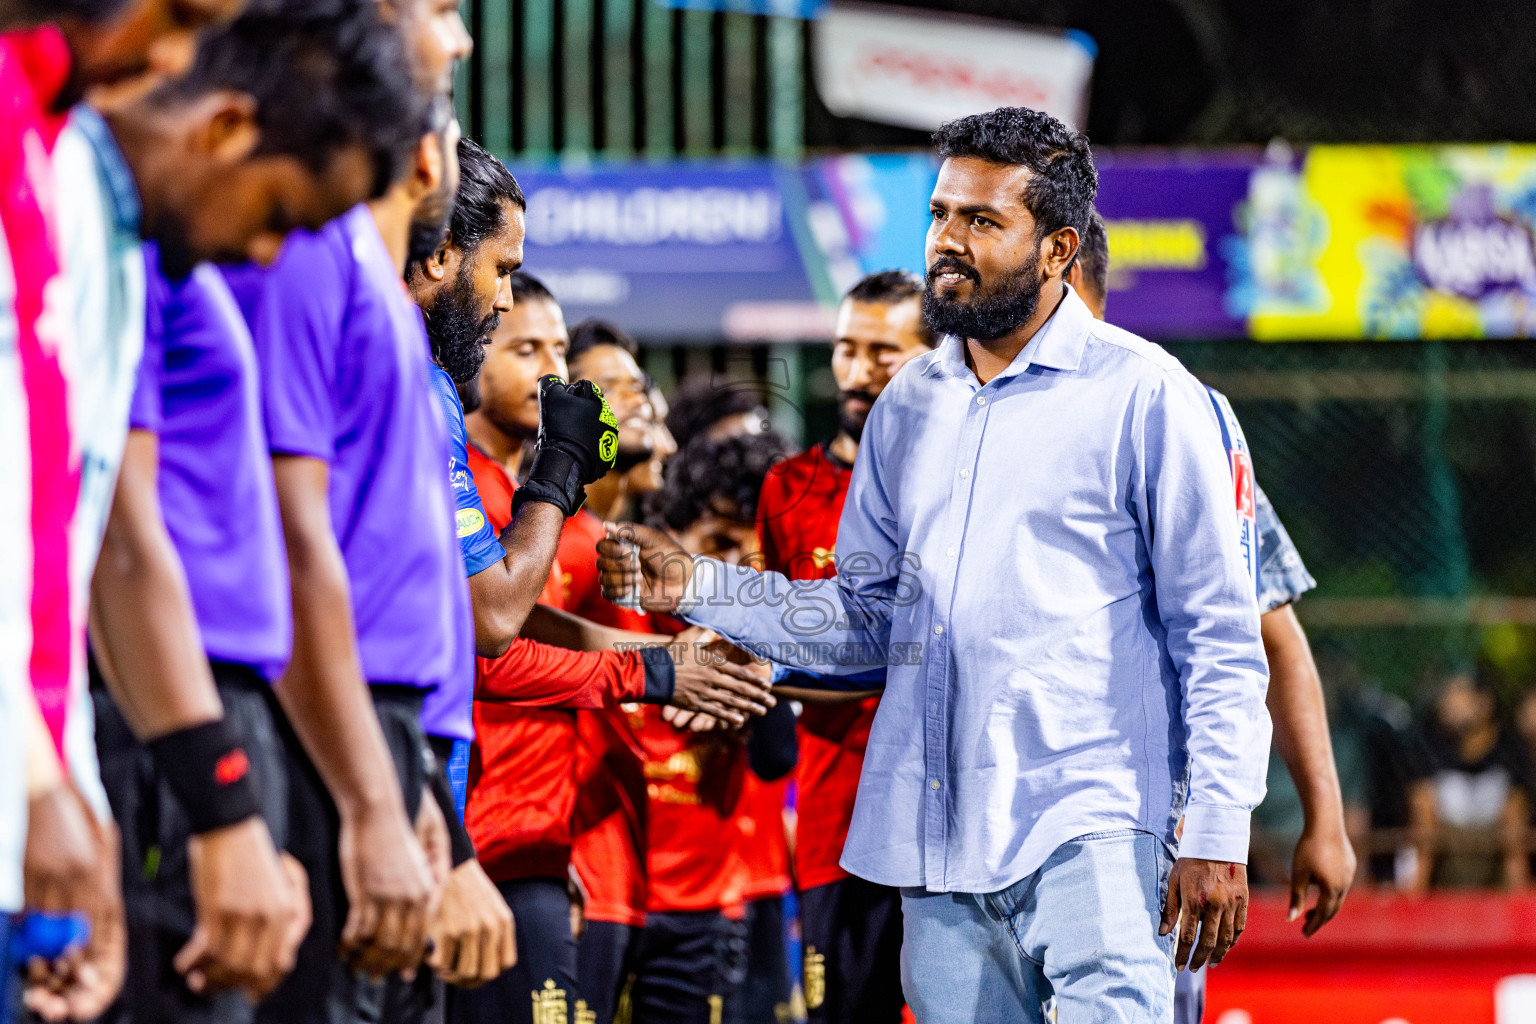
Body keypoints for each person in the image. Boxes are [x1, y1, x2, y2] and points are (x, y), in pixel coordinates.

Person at [600, 106, 1271, 1023]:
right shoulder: (909, 405)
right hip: (939, 850)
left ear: (1058, 248)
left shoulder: (1150, 397)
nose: (947, 243)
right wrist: (700, 587)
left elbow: (1222, 637)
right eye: (940, 214)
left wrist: (1220, 830)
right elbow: (866, 622)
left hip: (1100, 832)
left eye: (982, 222)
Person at [453, 276, 774, 1024]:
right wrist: (653, 667)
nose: (549, 372)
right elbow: (493, 640)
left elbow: (534, 628)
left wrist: (686, 661)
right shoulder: (468, 482)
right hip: (491, 841)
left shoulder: (527, 500)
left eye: (558, 350)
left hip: (561, 848)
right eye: (526, 348)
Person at [1066, 208, 1356, 1024]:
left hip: (1142, 832)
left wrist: (1323, 820)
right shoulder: (960, 418)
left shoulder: (1178, 418)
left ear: (1063, 273)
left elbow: (1270, 637)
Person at [753, 270, 935, 1024]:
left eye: (883, 353)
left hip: (950, 819)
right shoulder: (786, 487)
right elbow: (768, 640)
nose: (858, 374)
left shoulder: (959, 481)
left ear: (932, 355)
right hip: (840, 821)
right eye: (844, 350)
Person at [614, 431, 797, 1024]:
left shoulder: (751, 641)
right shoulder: (613, 613)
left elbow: (777, 759)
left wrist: (750, 664)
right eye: (716, 545)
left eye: (751, 556)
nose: (732, 572)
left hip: (704, 912)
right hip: (606, 903)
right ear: (672, 533)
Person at [1406, 664, 1532, 890]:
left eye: (1459, 693)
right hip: (1443, 886)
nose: (1448, 702)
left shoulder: (1511, 754)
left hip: (1496, 887)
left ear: (1484, 702)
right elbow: (1422, 835)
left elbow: (1516, 846)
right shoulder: (1430, 749)